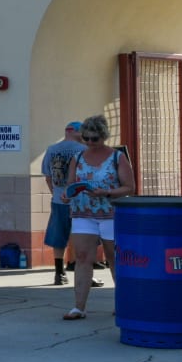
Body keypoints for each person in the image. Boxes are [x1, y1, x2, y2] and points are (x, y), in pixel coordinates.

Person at [61, 114, 133, 321]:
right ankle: (79, 307)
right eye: (86, 139)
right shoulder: (78, 158)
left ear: (104, 137)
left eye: (95, 139)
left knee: (114, 259)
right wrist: (68, 195)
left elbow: (129, 187)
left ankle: (123, 303)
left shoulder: (116, 157)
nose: (90, 143)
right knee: (82, 258)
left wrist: (107, 193)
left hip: (110, 214)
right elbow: (70, 184)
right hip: (83, 214)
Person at [41, 121, 87, 287]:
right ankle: (81, 271)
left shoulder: (52, 149)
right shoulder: (83, 150)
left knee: (59, 236)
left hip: (59, 200)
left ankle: (59, 273)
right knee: (82, 236)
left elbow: (47, 176)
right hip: (80, 202)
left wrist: (56, 194)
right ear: (76, 132)